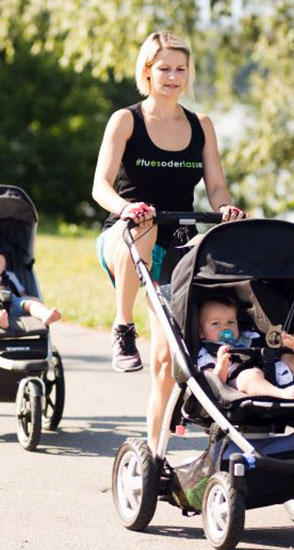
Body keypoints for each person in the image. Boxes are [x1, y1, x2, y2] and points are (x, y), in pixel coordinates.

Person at [91, 30, 246, 450]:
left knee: (165, 360)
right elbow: (100, 186)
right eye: (164, 68)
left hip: (179, 246)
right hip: (125, 237)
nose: (173, 76)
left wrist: (226, 208)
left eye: (180, 69)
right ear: (147, 71)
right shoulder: (127, 120)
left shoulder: (201, 126)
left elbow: (216, 188)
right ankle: (123, 326)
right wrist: (124, 207)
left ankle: (155, 453)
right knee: (145, 226)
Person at [196, 296, 294, 400]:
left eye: (231, 322)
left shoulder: (248, 336)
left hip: (280, 374)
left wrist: (291, 343)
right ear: (201, 332)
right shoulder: (206, 354)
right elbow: (213, 385)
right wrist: (222, 367)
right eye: (216, 323)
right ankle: (280, 394)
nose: (225, 328)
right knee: (250, 376)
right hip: (246, 384)